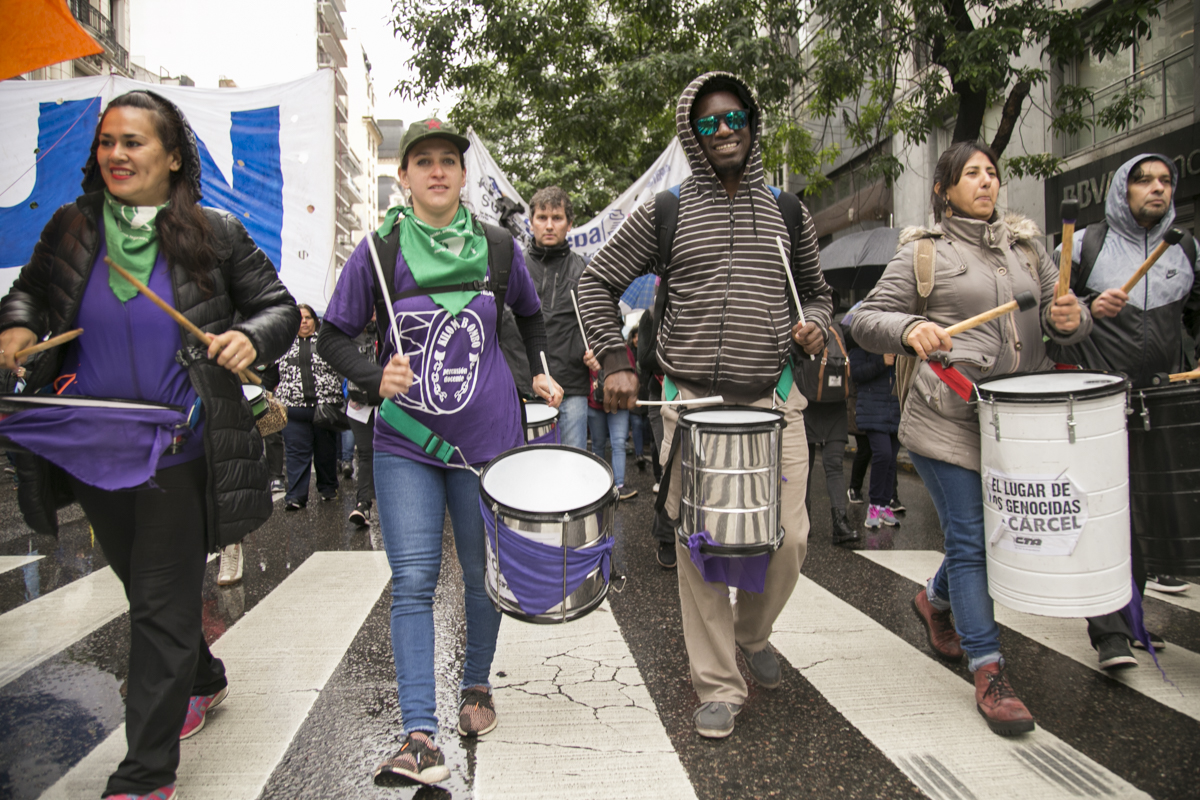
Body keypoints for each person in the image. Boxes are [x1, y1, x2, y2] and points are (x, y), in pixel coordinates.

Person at [0, 90, 299, 800]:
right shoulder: (72, 228)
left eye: (133, 142)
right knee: (145, 588)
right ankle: (203, 675)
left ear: (171, 157)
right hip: (92, 443)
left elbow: (278, 309)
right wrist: (17, 326)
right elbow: (30, 293)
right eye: (107, 141)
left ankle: (143, 776)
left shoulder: (216, 232)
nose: (116, 154)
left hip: (177, 447)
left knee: (160, 604)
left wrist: (248, 337)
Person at [578, 72, 833, 738]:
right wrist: (615, 360)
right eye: (709, 123)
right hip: (691, 405)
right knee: (700, 545)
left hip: (776, 401)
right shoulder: (666, 210)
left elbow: (818, 293)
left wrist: (814, 325)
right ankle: (718, 683)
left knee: (791, 538)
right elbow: (596, 281)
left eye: (735, 118)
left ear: (752, 123)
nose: (724, 131)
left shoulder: (787, 211)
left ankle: (752, 632)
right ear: (693, 134)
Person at [316, 119, 562, 786]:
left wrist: (540, 372)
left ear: (462, 173)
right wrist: (373, 376)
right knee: (414, 580)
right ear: (404, 176)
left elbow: (531, 315)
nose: (436, 171)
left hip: (488, 443)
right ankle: (419, 734)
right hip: (406, 443)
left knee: (484, 575)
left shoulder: (499, 247)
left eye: (448, 160)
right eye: (422, 160)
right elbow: (332, 337)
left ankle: (476, 684)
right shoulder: (378, 251)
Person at [851, 141, 1088, 736]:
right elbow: (864, 319)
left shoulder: (1028, 249)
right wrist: (912, 327)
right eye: (972, 173)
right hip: (946, 419)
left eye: (992, 172)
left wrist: (1073, 320)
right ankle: (989, 668)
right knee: (972, 537)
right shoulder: (923, 252)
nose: (986, 181)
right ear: (944, 189)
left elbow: (1062, 319)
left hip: (1018, 424)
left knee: (988, 538)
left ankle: (933, 599)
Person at [1050, 153, 1199, 668]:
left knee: (1149, 512)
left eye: (1165, 181)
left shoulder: (1184, 248)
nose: (1157, 188)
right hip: (1102, 402)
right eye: (1144, 180)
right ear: (1122, 190)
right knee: (1105, 516)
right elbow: (1051, 323)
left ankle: (1133, 617)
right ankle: (1109, 631)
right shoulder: (1083, 245)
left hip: (1162, 401)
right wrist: (1086, 311)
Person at [524, 186, 592, 450]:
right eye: (542, 217)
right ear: (531, 223)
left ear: (570, 223)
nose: (549, 225)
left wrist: (597, 350)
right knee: (525, 467)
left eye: (557, 218)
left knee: (572, 464)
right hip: (524, 388)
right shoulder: (515, 266)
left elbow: (602, 320)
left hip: (571, 386)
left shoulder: (585, 269)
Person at [274, 304, 343, 510]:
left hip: (324, 409)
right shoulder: (281, 344)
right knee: (295, 454)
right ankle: (295, 497)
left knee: (326, 452)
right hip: (293, 410)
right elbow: (269, 375)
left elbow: (342, 369)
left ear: (315, 321)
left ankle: (328, 488)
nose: (303, 321)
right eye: (299, 318)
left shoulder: (327, 343)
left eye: (307, 317)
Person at [797, 321, 858, 545]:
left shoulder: (831, 329)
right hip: (810, 405)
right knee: (810, 467)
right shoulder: (839, 329)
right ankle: (808, 521)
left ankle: (837, 522)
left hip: (825, 405)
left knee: (826, 465)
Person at [847, 344, 901, 530]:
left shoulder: (898, 343)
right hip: (872, 410)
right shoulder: (863, 342)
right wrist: (881, 362)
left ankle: (885, 506)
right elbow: (856, 373)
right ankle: (874, 507)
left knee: (891, 460)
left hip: (895, 408)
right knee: (883, 454)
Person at [585, 343, 637, 499]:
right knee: (605, 443)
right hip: (600, 402)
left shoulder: (591, 346)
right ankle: (603, 484)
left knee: (614, 443)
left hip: (612, 402)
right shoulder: (621, 348)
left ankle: (617, 485)